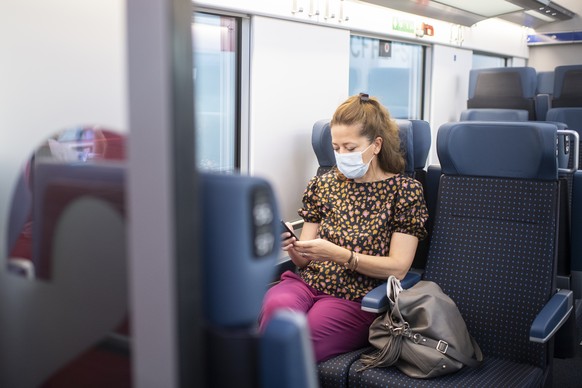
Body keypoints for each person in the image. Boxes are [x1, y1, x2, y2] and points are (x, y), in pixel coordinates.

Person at [258, 93, 429, 362]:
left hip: (355, 296)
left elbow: (398, 267)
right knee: (275, 319)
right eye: (336, 148)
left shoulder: (405, 191)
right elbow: (305, 260)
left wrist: (340, 255)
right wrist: (293, 246)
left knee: (301, 343)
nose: (341, 156)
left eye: (350, 148)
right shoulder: (322, 185)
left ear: (376, 145)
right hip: (305, 283)